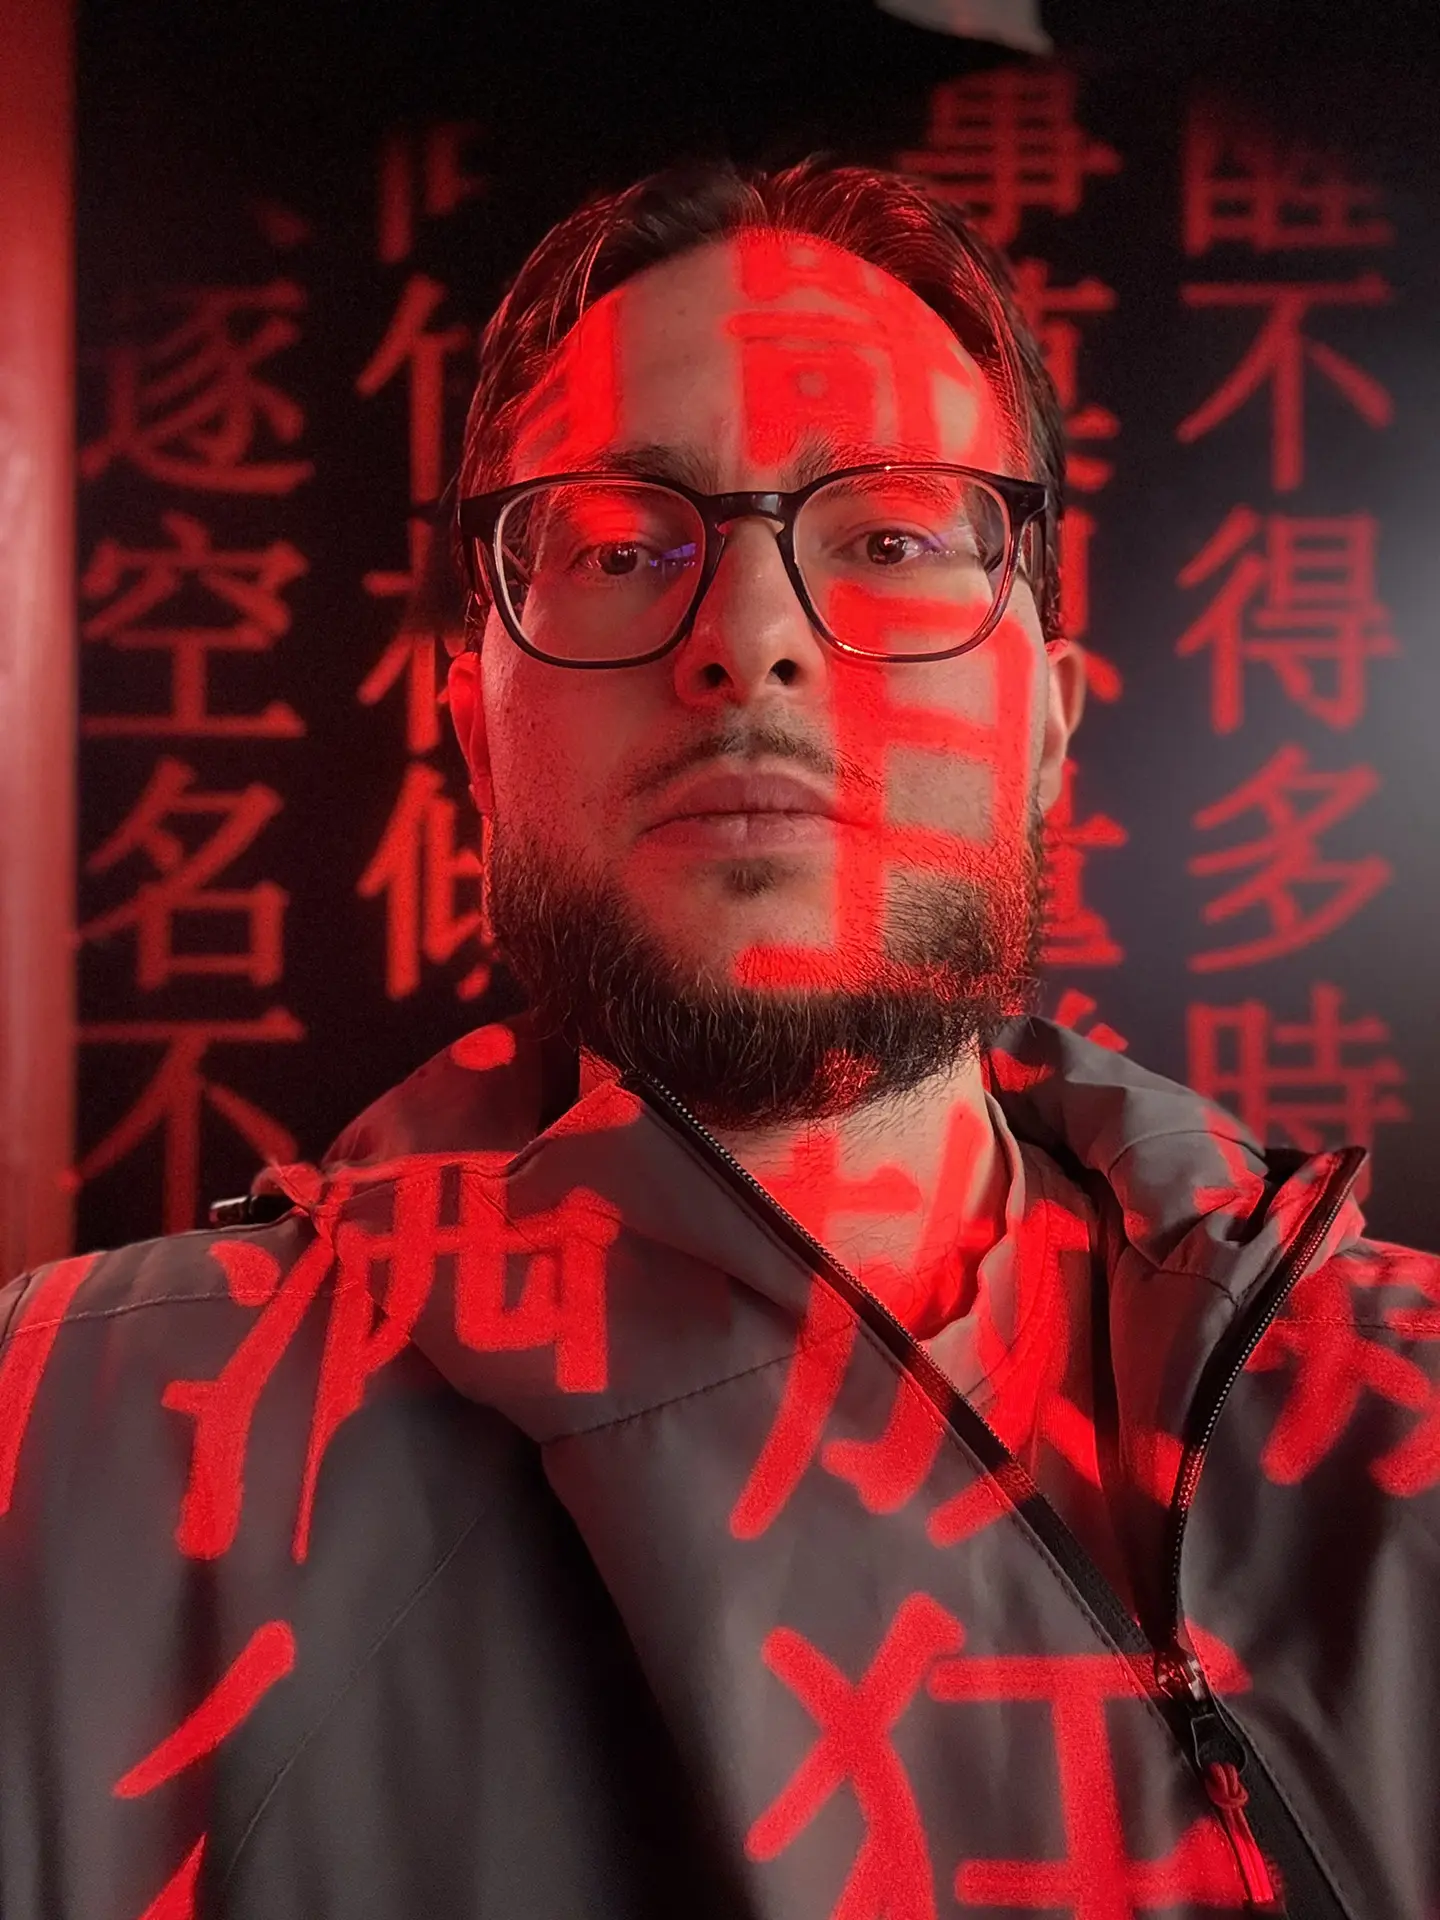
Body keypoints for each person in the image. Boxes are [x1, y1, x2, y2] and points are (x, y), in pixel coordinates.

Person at [2, 158, 1435, 1920]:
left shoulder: (1401, 1415)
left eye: (890, 538)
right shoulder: (71, 1441)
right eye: (620, 548)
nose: (752, 640)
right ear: (477, 729)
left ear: (1050, 725)